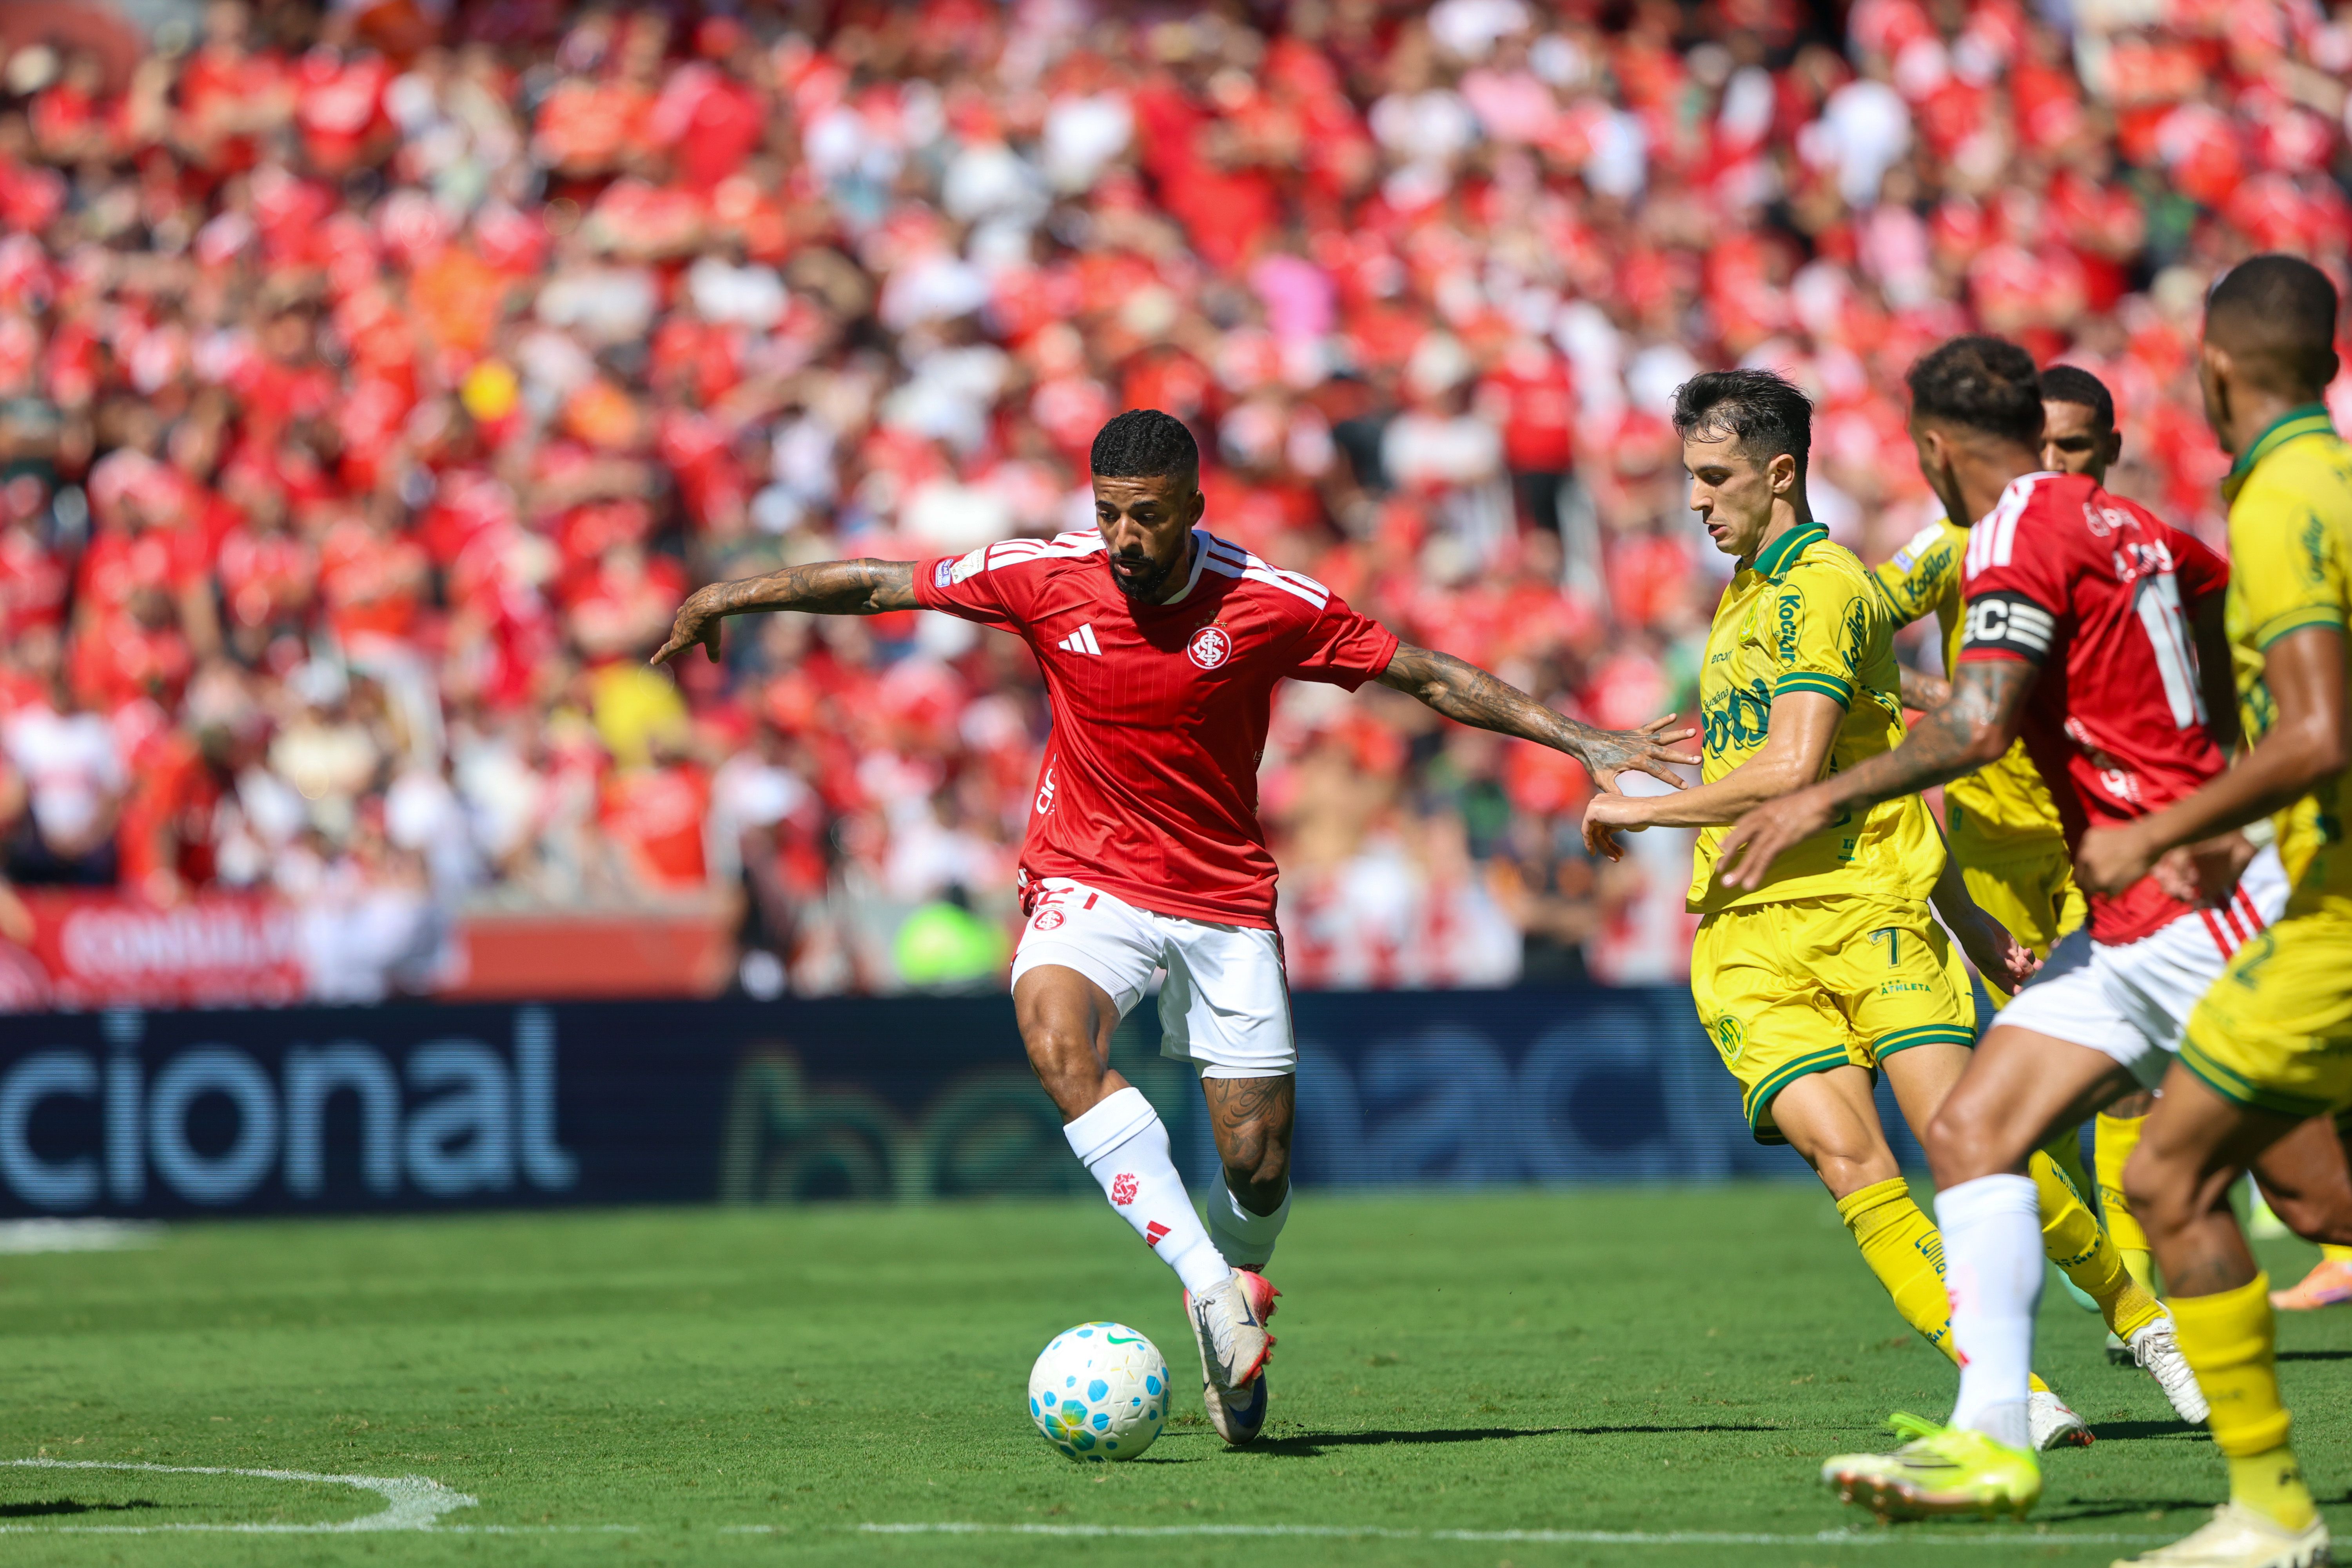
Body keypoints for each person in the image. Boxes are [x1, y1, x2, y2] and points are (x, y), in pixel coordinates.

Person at [652, 408, 1697, 1446]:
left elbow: (1423, 673)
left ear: (1193, 507)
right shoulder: (1044, 575)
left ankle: (1236, 1288)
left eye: (1146, 518)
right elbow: (883, 581)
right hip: (1085, 875)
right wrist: (726, 596)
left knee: (1258, 1163)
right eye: (1108, 515)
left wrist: (1582, 739)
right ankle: (1208, 1286)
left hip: (1221, 896)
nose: (1123, 539)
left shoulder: (1268, 601)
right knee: (1058, 1038)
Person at [1709, 336, 2264, 1524]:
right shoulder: (2143, 533)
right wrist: (2216, 780)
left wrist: (1816, 787)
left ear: (1932, 449)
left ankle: (2170, 1442)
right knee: (1982, 1130)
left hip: (2148, 885)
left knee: (2223, 1181)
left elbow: (1969, 724)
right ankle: (2005, 1431)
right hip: (2118, 870)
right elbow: (2214, 628)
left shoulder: (2008, 533)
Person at [1582, 368, 2144, 1452]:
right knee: (1865, 1161)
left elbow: (1808, 751)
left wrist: (1647, 809)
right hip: (1812, 909)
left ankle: (2147, 1322)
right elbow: (1876, 678)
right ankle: (2013, 1392)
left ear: (1778, 473)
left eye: (1713, 479)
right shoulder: (1776, 588)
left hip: (1961, 878)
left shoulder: (1842, 580)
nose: (1695, 502)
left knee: (1989, 1139)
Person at [2069, 254, 2352, 1568]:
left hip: (2337, 925)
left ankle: (2270, 1514)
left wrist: (2164, 827)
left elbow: (2318, 729)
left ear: (2216, 369)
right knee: (2304, 1200)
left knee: (2166, 1174)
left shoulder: (2288, 496)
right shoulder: (2333, 481)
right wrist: (2241, 831)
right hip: (2305, 889)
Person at [1871, 363, 2161, 1360]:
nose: (2053, 462)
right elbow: (1857, 614)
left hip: (2098, 835)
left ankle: (2138, 1292)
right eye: (2042, 443)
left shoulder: (2128, 550)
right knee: (2008, 1085)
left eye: (2074, 447)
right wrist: (1937, 699)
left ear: (2110, 452)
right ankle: (2090, 1261)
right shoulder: (1956, 542)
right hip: (1989, 850)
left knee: (2122, 1067)